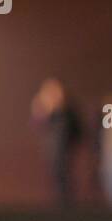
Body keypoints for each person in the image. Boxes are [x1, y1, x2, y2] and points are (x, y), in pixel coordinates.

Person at [30, 77, 82, 208]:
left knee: (63, 176)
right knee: (56, 176)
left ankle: (66, 205)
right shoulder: (49, 112)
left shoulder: (67, 111)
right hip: (53, 149)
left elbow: (77, 129)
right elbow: (36, 124)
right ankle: (61, 204)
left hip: (64, 150)